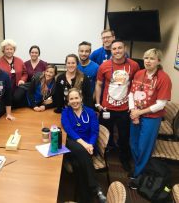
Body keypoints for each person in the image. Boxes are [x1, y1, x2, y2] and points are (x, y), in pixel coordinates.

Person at [128, 48, 172, 187]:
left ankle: (139, 176)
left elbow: (161, 104)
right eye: (146, 58)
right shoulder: (139, 73)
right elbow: (131, 94)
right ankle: (138, 169)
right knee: (133, 144)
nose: (148, 61)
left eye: (152, 58)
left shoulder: (164, 78)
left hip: (151, 118)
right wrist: (133, 111)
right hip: (135, 114)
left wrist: (139, 113)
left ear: (158, 61)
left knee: (144, 147)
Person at [95, 39, 140, 172]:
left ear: (124, 48)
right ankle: (101, 156)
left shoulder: (134, 65)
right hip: (106, 107)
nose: (117, 51)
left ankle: (124, 159)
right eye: (114, 49)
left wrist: (135, 106)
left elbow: (136, 85)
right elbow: (98, 84)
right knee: (103, 134)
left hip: (124, 109)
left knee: (124, 136)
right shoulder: (104, 66)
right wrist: (97, 103)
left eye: (119, 48)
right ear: (111, 50)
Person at [61, 88, 106, 203]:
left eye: (76, 98)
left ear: (81, 99)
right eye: (71, 99)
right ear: (68, 101)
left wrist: (90, 144)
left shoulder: (90, 112)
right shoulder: (65, 112)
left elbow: (94, 132)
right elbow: (69, 130)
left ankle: (85, 198)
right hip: (73, 143)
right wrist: (84, 144)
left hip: (89, 146)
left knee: (77, 165)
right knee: (81, 151)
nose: (74, 101)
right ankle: (95, 187)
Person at [0, 39, 28, 107]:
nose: (9, 51)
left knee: (16, 105)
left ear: (14, 50)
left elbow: (25, 73)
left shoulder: (19, 60)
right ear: (3, 50)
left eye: (11, 49)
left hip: (17, 89)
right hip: (4, 89)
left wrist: (22, 80)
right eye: (7, 49)